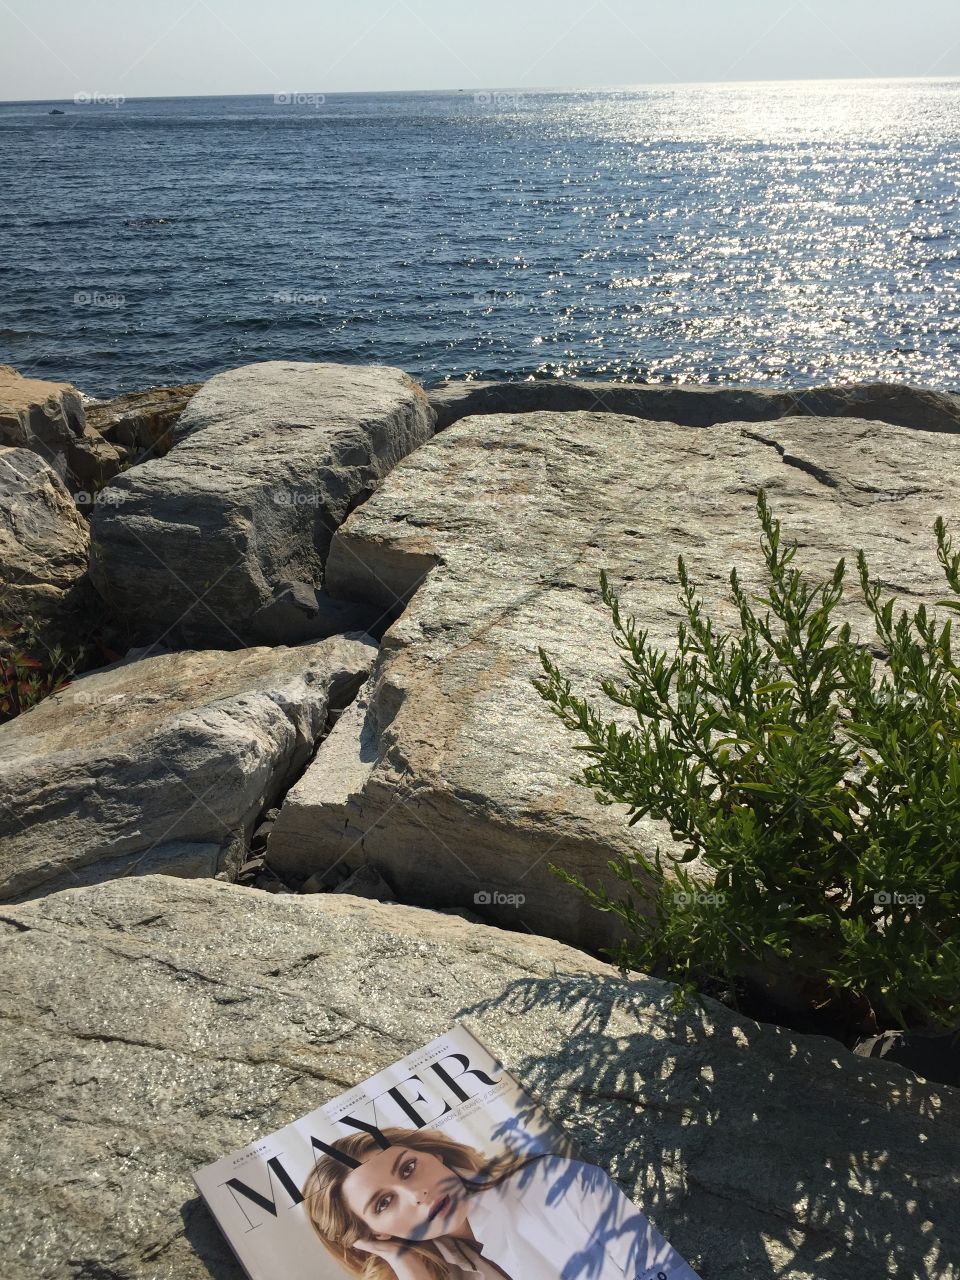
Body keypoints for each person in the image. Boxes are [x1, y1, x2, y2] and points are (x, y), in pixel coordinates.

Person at [301, 1125, 701, 1280]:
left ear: (434, 1156)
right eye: (384, 1203)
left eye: (408, 1169)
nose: (418, 1194)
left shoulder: (556, 1186)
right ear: (376, 1233)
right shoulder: (436, 1272)